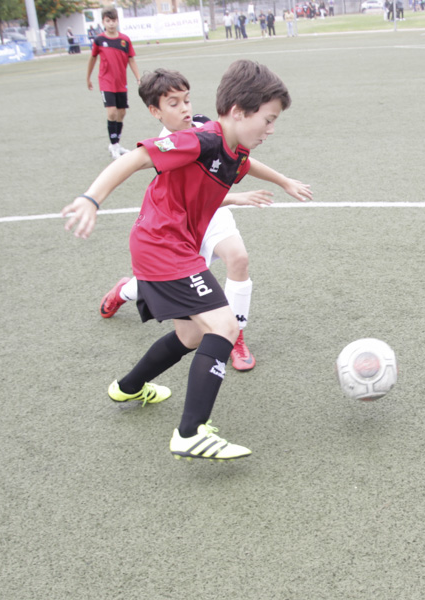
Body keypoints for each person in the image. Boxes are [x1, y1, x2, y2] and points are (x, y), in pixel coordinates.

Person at [61, 60, 295, 461]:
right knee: (222, 325)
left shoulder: (232, 148)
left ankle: (130, 386)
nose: (271, 130)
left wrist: (284, 181)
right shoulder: (198, 140)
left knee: (190, 336)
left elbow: (243, 164)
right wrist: (90, 198)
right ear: (239, 111)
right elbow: (135, 159)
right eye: (268, 120)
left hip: (172, 247)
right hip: (162, 247)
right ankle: (191, 432)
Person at [100, 69, 313, 372]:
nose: (185, 108)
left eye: (186, 100)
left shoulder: (206, 127)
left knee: (238, 258)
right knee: (172, 283)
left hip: (212, 212)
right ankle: (125, 290)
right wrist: (235, 197)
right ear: (155, 112)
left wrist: (283, 180)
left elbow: (239, 159)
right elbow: (186, 198)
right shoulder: (172, 145)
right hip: (182, 224)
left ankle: (235, 335)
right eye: (173, 104)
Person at [86, 7, 141, 160]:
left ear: (117, 21)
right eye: (108, 21)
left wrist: (138, 77)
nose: (111, 24)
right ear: (103, 22)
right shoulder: (99, 40)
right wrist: (88, 78)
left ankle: (116, 144)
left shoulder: (124, 40)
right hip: (106, 82)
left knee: (121, 113)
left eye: (114, 20)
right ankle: (114, 146)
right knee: (112, 112)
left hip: (121, 83)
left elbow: (131, 59)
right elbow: (92, 59)